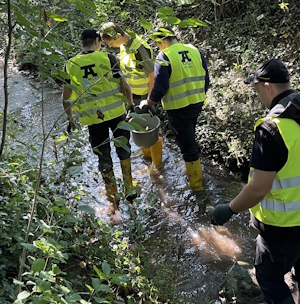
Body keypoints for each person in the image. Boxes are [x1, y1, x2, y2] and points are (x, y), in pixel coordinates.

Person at [211, 59, 300, 304]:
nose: (257, 94)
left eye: (257, 88)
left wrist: (229, 209)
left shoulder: (271, 130)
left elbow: (259, 188)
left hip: (285, 230)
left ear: (268, 86)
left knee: (269, 278)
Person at [62, 29, 135, 205]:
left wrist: (71, 120)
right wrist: (130, 105)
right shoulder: (108, 59)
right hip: (117, 114)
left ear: (81, 43)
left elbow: (65, 99)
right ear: (97, 41)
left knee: (103, 155)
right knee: (123, 149)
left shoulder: (70, 65)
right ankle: (129, 189)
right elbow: (123, 85)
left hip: (93, 120)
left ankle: (112, 198)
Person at [139, 27, 210, 191]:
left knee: (188, 147)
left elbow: (160, 88)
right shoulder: (195, 50)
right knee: (189, 137)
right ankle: (197, 177)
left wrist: (148, 103)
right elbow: (206, 80)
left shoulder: (164, 56)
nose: (158, 47)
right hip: (197, 103)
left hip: (178, 108)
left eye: (157, 44)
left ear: (162, 41)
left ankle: (197, 188)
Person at [100, 22, 163, 168]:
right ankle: (148, 158)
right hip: (132, 96)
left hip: (144, 97)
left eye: (109, 42)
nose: (109, 46)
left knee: (151, 129)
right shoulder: (124, 46)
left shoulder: (138, 49)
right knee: (140, 128)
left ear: (117, 36)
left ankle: (157, 166)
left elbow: (152, 75)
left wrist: (149, 101)